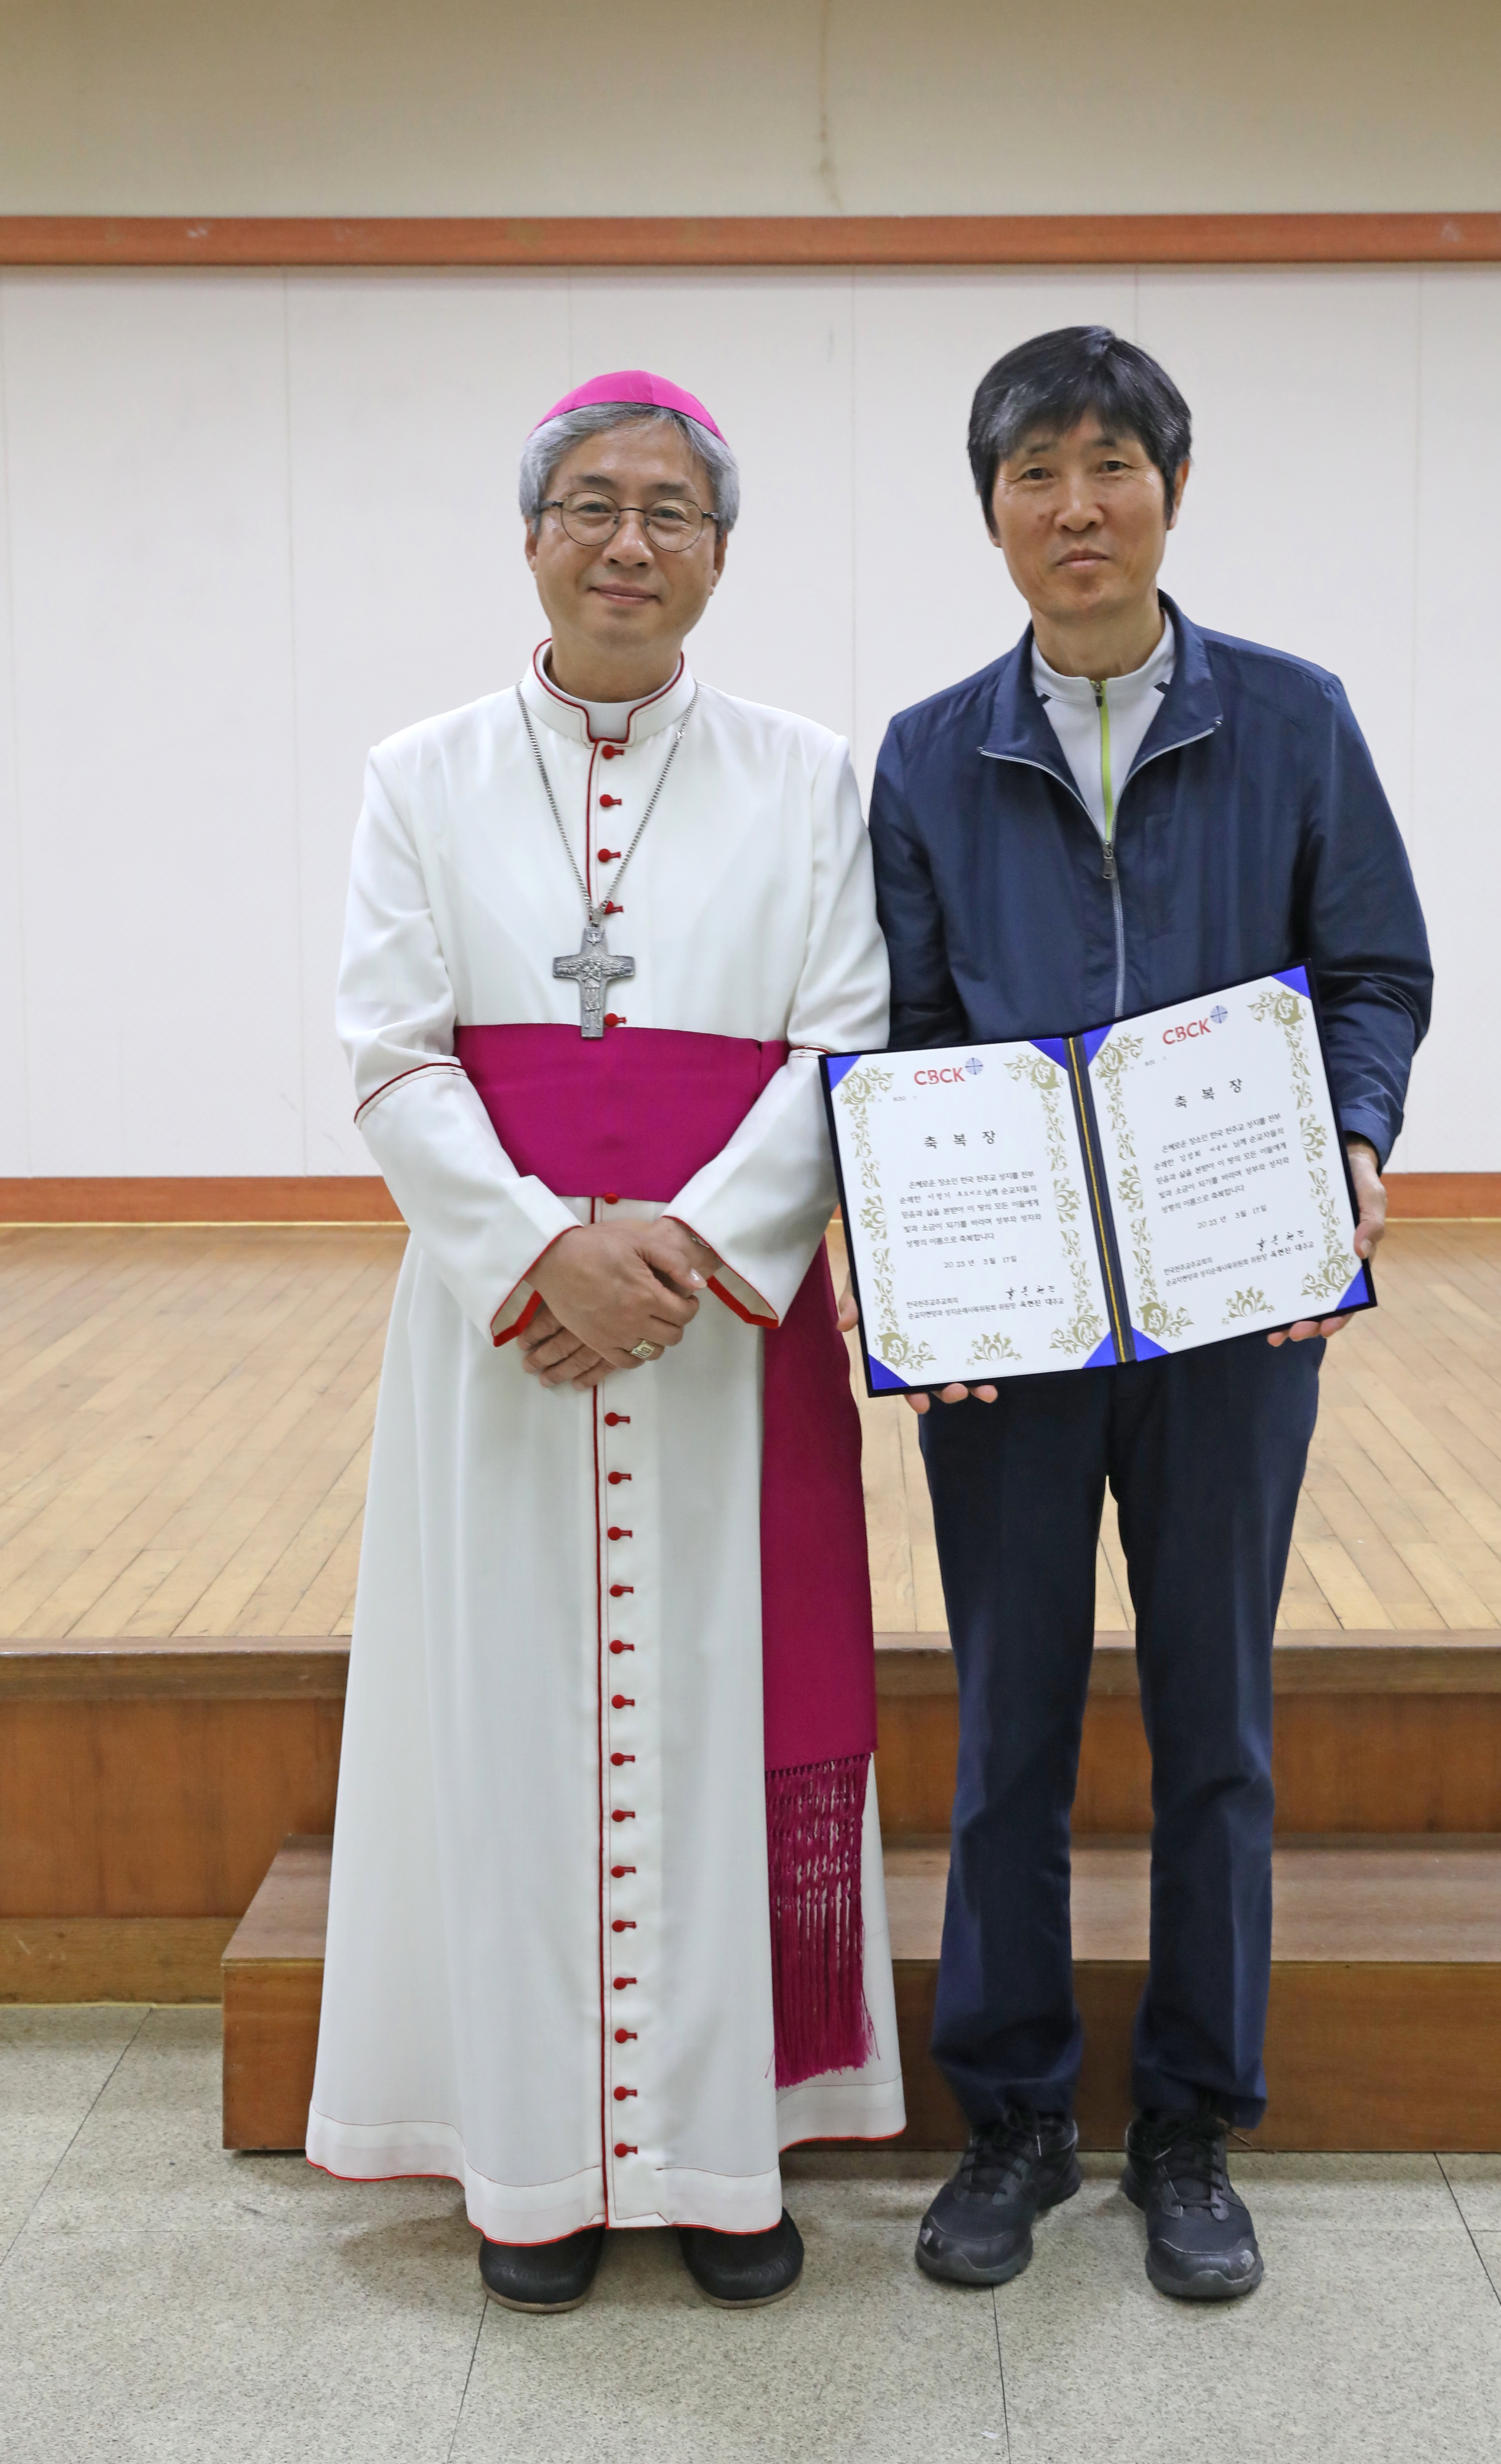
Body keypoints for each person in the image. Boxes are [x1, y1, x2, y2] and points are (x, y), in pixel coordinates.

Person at [309, 369, 903, 2313]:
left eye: (669, 511)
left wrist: (684, 1253)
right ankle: (534, 2170)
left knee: (723, 1714)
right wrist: (542, 1254)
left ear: (720, 555)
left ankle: (724, 2163)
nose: (628, 540)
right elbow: (391, 1053)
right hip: (503, 1345)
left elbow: (848, 1045)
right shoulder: (419, 776)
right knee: (508, 1729)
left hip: (722, 1347)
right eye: (592, 504)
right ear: (533, 539)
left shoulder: (810, 778)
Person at [867, 326, 1431, 2302]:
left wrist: (1350, 1137)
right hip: (1011, 1328)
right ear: (992, 514)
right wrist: (922, 1264)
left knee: (1216, 1729)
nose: (1076, 506)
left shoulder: (1293, 717)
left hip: (1230, 1311)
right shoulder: (928, 752)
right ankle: (1014, 2119)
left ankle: (1191, 2122)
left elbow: (1373, 969)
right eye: (1035, 473)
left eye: (1110, 465)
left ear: (1171, 491)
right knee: (1009, 1728)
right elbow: (905, 1029)